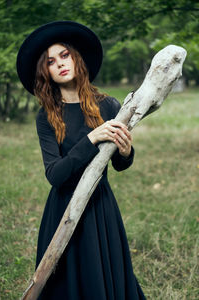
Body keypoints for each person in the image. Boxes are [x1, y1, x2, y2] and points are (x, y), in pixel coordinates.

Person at [17, 21, 146, 300]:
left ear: (76, 57)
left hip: (100, 206)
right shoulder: (47, 116)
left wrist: (125, 152)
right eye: (51, 61)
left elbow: (120, 164)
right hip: (62, 210)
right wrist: (91, 139)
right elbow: (55, 175)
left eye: (65, 55)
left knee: (102, 278)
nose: (60, 64)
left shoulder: (108, 105)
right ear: (46, 72)